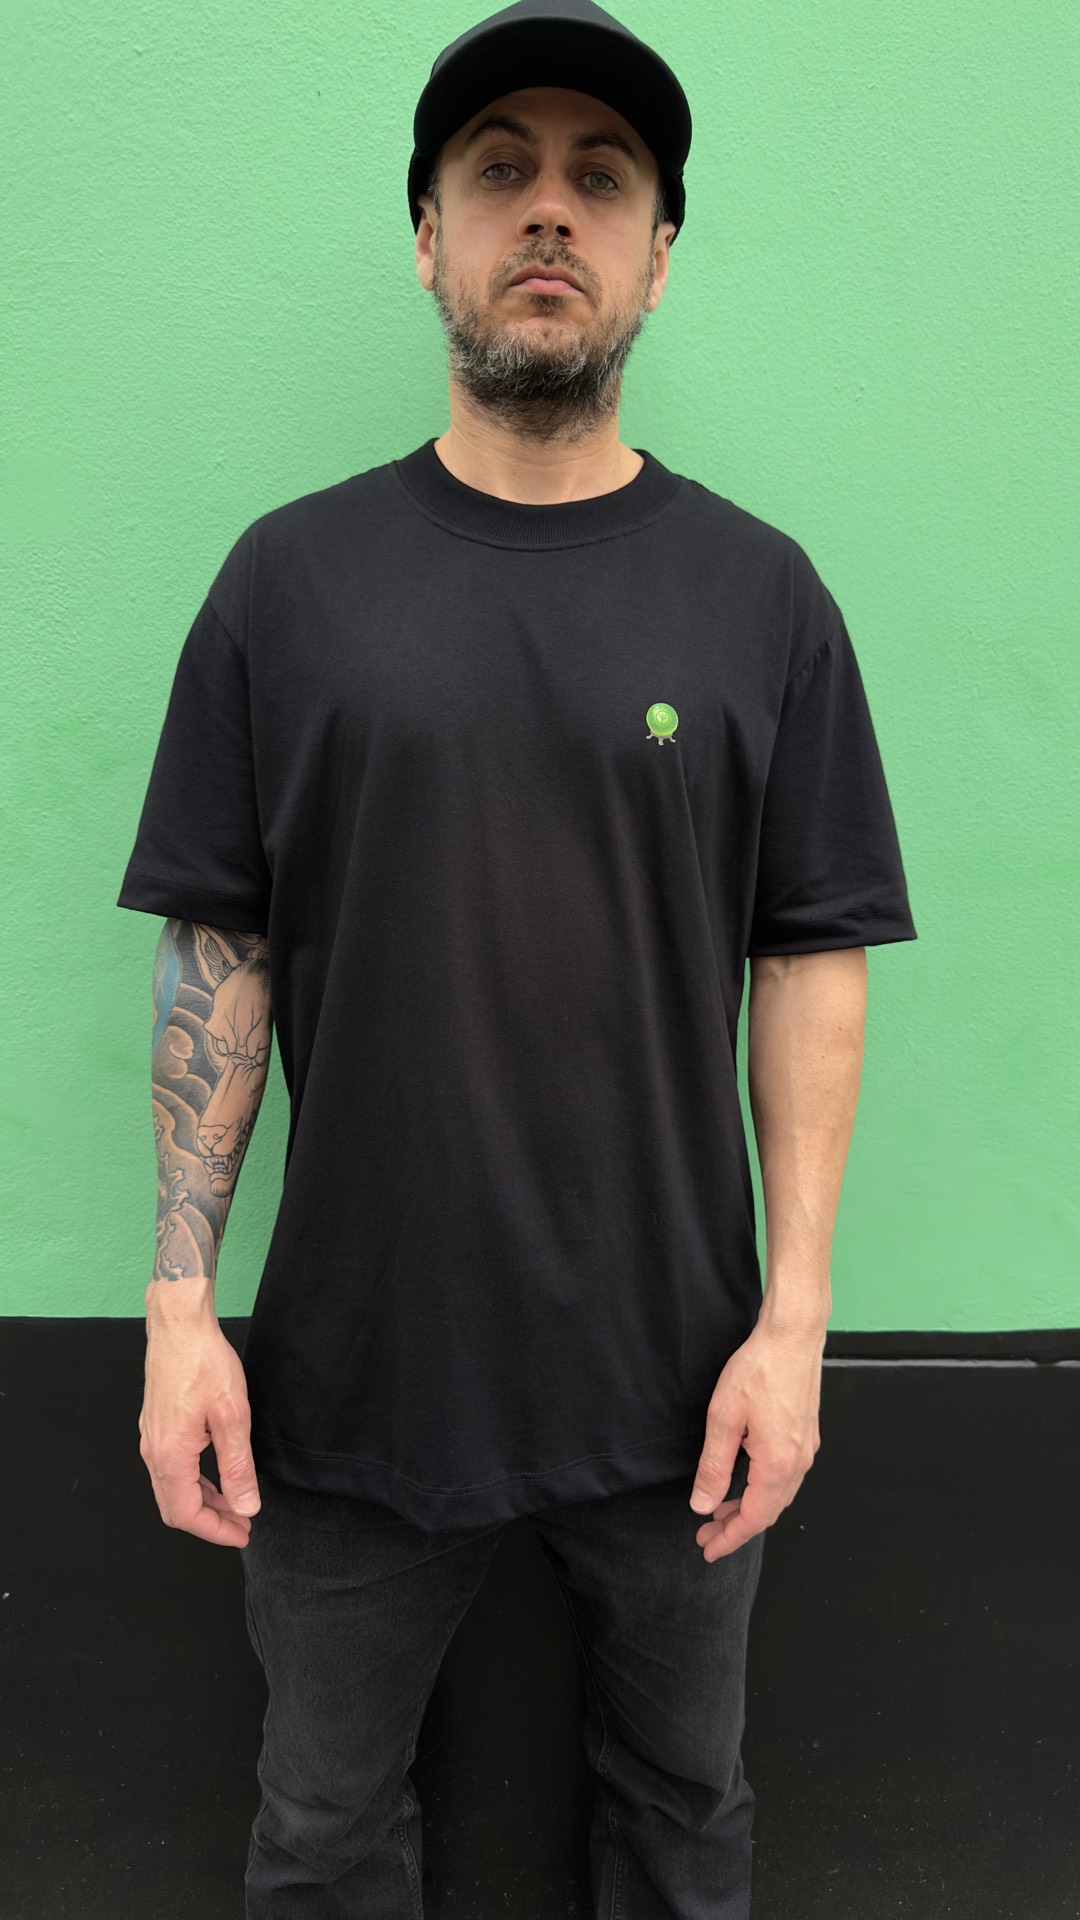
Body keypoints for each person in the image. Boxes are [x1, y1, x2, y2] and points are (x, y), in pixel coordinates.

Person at [119, 1, 918, 1912]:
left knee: (684, 1817)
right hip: (351, 1383)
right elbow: (220, 943)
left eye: (600, 178)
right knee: (322, 1833)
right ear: (428, 237)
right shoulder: (286, 584)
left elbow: (810, 959)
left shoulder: (763, 597)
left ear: (659, 254)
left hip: (680, 1383)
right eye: (499, 172)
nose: (548, 211)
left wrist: (794, 1326)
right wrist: (178, 1307)